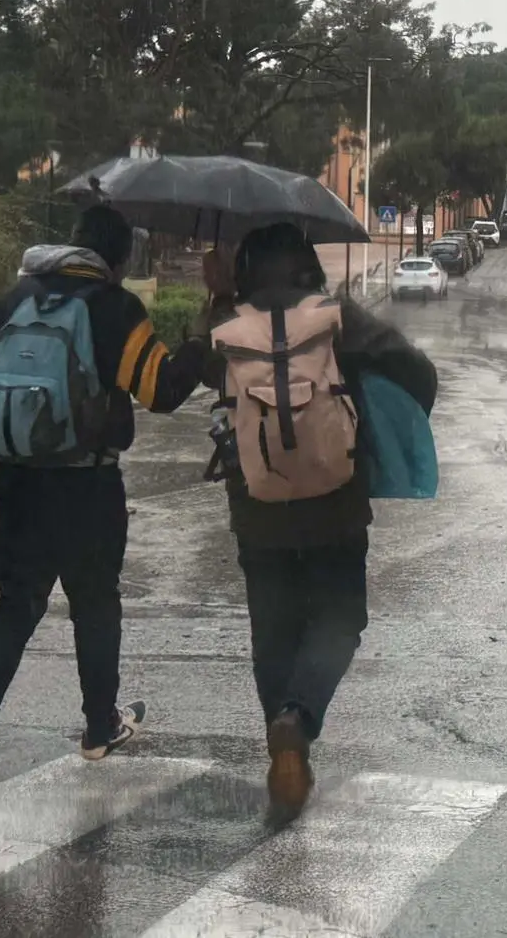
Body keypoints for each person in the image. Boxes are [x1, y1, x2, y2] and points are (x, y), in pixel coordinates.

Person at [0, 204, 205, 800]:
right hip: (88, 483)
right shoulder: (115, 308)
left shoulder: (12, 301)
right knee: (94, 603)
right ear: (118, 258)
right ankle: (97, 727)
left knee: (17, 606)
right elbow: (161, 391)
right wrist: (199, 346)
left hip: (19, 481)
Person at [197, 222, 436, 821]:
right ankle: (297, 720)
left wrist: (217, 299)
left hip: (258, 513)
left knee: (271, 631)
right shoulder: (337, 320)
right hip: (336, 506)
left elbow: (178, 380)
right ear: (307, 264)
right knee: (340, 619)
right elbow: (419, 374)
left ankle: (283, 738)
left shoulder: (226, 328)